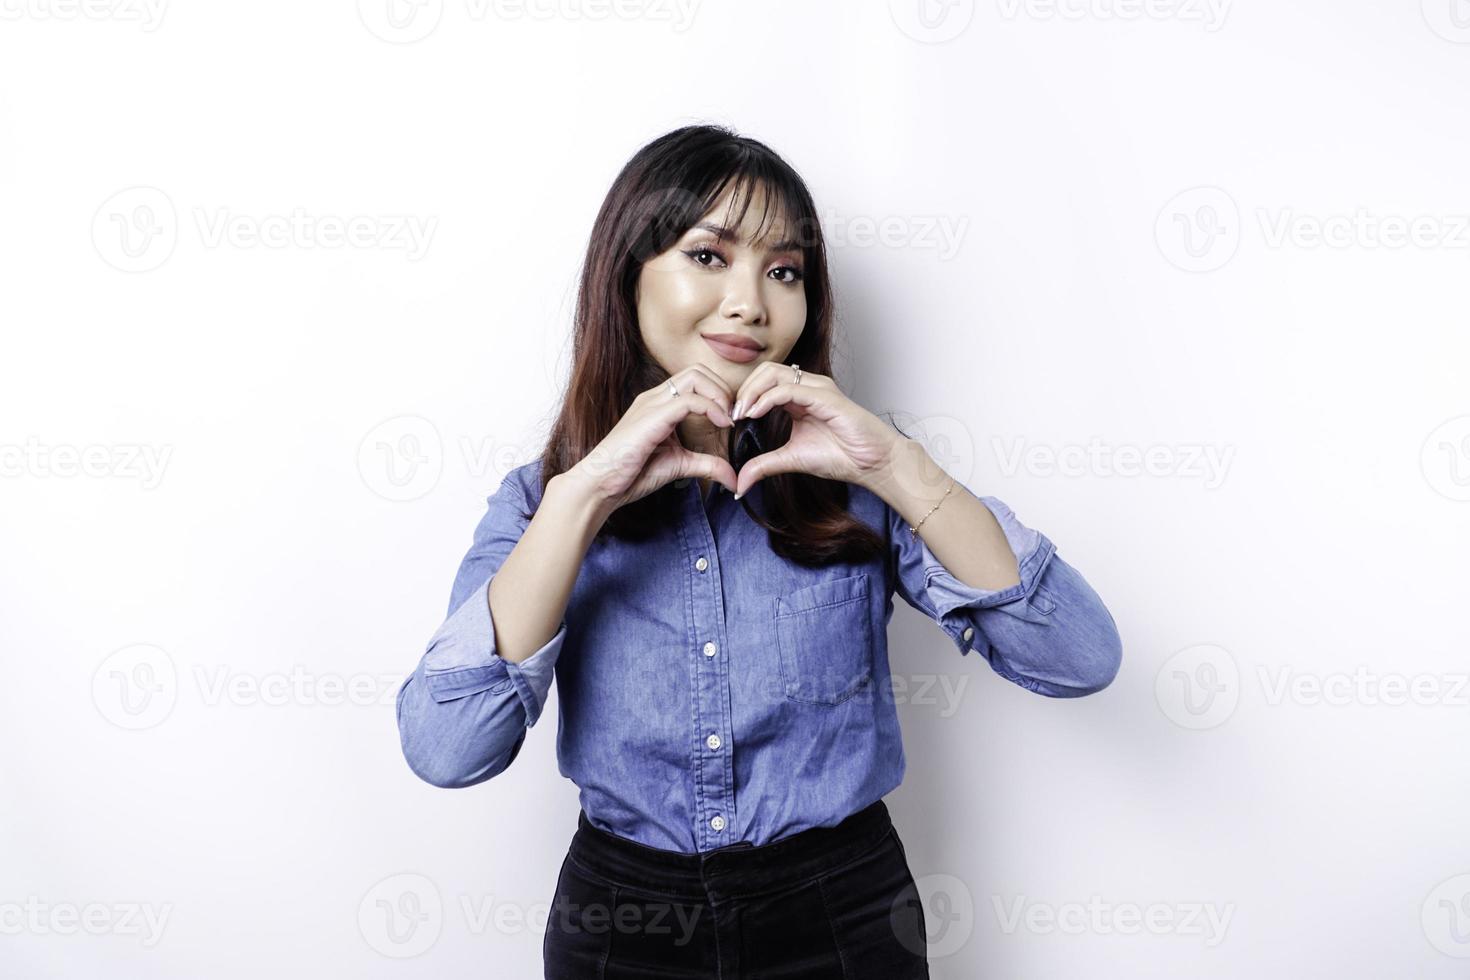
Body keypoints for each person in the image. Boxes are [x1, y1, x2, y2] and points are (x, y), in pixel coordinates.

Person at [394, 123, 1123, 979]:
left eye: (784, 271)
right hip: (620, 926)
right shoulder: (543, 501)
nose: (750, 302)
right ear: (626, 274)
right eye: (709, 256)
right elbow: (446, 751)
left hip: (842, 914)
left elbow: (1079, 657)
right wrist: (585, 497)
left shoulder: (858, 478)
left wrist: (895, 466)